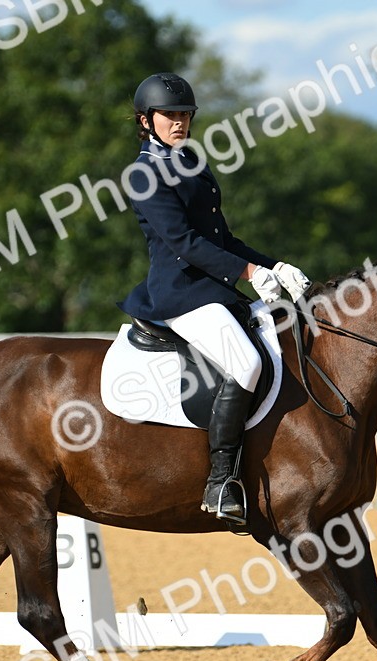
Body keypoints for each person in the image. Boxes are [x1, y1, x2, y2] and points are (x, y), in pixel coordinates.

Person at [119, 72, 311, 524]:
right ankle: (221, 479)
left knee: (284, 339)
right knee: (245, 362)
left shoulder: (192, 163)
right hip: (179, 293)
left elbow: (222, 237)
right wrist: (246, 273)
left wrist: (273, 265)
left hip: (213, 288)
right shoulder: (143, 174)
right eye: (170, 115)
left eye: (185, 114)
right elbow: (184, 242)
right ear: (146, 121)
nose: (180, 122)